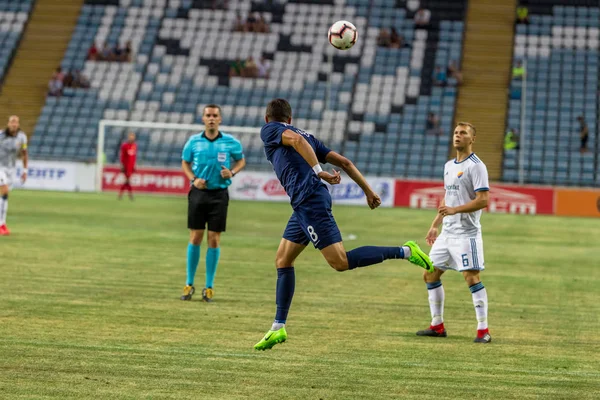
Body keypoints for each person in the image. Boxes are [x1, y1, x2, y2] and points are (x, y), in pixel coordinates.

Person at [253, 98, 433, 351]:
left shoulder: (272, 130)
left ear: (267, 118)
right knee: (283, 260)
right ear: (291, 119)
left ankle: (405, 251)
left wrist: (317, 171)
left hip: (309, 201)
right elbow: (345, 163)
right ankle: (277, 327)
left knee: (340, 262)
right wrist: (368, 191)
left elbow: (296, 140)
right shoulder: (310, 137)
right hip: (304, 204)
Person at [418, 122, 491, 343]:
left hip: (466, 234)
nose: (458, 136)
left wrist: (455, 210)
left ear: (472, 139)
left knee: (471, 277)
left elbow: (483, 200)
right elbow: (447, 197)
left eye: (463, 133)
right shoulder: (449, 165)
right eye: (456, 133)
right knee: (430, 274)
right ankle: (437, 325)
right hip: (447, 234)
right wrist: (435, 223)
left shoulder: (476, 166)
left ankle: (483, 331)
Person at [180, 105, 246, 302]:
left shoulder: (230, 142)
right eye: (208, 115)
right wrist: (193, 179)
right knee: (195, 237)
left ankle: (209, 287)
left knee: (214, 239)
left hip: (219, 195)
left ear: (220, 119)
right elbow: (185, 162)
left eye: (214, 115)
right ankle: (189, 284)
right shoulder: (193, 142)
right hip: (198, 194)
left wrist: (232, 172)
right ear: (202, 118)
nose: (211, 118)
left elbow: (241, 161)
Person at [0, 116, 28, 236]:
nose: (14, 124)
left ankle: (2, 223)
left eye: (16, 122)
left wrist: (25, 170)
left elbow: (24, 154)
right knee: (4, 191)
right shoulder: (1, 135)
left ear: (18, 124)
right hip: (0, 167)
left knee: (4, 196)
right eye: (12, 122)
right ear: (8, 123)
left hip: (11, 169)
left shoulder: (22, 137)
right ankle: (2, 225)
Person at [118, 132, 137, 200]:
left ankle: (121, 195)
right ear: (128, 137)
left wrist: (134, 165)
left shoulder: (135, 145)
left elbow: (134, 157)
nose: (132, 138)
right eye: (131, 136)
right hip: (126, 166)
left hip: (131, 167)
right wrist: (122, 165)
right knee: (127, 181)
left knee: (127, 181)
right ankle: (129, 195)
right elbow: (122, 156)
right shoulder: (125, 146)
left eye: (133, 136)